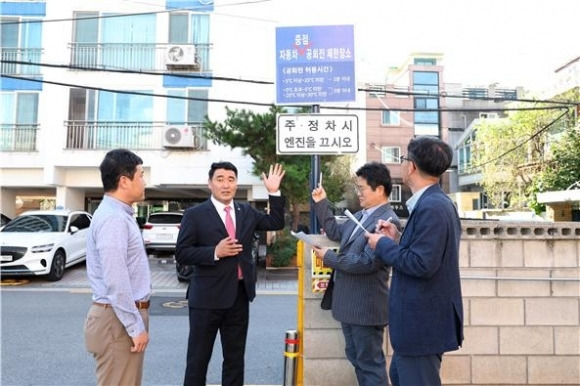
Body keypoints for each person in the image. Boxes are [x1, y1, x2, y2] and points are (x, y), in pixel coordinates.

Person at [176, 161, 286, 386]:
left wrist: (273, 192)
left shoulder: (245, 211)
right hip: (206, 299)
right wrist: (214, 252)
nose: (226, 185)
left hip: (238, 296)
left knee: (235, 360)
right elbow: (183, 253)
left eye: (231, 179)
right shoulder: (195, 214)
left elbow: (276, 221)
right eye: (220, 179)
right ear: (210, 184)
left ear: (236, 183)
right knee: (198, 360)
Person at [366, 136, 464, 386]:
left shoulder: (432, 207)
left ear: (412, 166)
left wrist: (382, 244)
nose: (402, 165)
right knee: (399, 376)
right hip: (420, 325)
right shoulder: (436, 203)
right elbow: (428, 254)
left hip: (422, 324)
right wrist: (397, 238)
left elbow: (422, 264)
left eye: (404, 159)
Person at [311, 162, 401, 386]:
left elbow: (367, 263)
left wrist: (329, 258)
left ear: (379, 189)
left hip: (366, 308)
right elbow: (334, 231)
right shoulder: (361, 215)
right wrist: (322, 202)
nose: (358, 193)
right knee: (357, 359)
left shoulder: (387, 221)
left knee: (370, 364)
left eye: (362, 188)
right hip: (349, 306)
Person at [84, 148, 151, 386]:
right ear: (124, 181)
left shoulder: (120, 214)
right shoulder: (113, 219)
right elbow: (116, 279)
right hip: (118, 320)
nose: (144, 182)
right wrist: (135, 326)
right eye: (141, 175)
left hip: (119, 316)